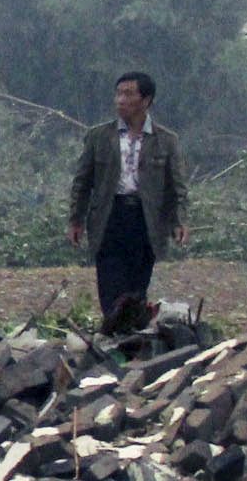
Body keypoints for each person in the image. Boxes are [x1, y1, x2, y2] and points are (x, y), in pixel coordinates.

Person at [67, 71, 188, 331]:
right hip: (109, 218)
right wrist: (75, 219)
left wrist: (179, 221)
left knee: (137, 285)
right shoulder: (99, 137)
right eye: (119, 93)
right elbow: (82, 182)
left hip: (146, 221)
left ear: (146, 101)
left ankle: (132, 337)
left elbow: (176, 187)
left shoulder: (166, 141)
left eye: (128, 94)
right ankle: (113, 333)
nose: (121, 100)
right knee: (110, 282)